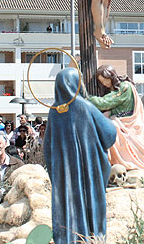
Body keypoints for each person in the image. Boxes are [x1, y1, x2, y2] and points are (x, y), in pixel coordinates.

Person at [44, 68, 117, 244]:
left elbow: (47, 147)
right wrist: (112, 122)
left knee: (67, 202)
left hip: (64, 174)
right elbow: (109, 135)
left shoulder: (54, 112)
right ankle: (90, 236)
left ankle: (68, 237)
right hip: (88, 169)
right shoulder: (85, 106)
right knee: (89, 200)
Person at [88, 65, 144, 171]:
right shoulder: (114, 89)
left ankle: (125, 163)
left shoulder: (124, 87)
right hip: (119, 121)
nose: (104, 84)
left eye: (105, 80)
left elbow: (104, 103)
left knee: (111, 128)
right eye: (101, 82)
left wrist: (87, 98)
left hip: (126, 124)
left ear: (111, 76)